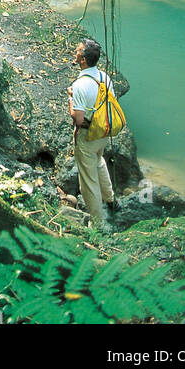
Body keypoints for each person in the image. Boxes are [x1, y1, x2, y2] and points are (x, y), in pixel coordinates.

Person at [67, 38, 116, 230]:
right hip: (103, 131)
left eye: (78, 50)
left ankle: (98, 224)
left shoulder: (79, 85)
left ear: (84, 60)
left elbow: (78, 119)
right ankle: (110, 199)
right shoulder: (105, 77)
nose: (75, 51)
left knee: (88, 181)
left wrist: (71, 98)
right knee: (99, 161)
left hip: (87, 136)